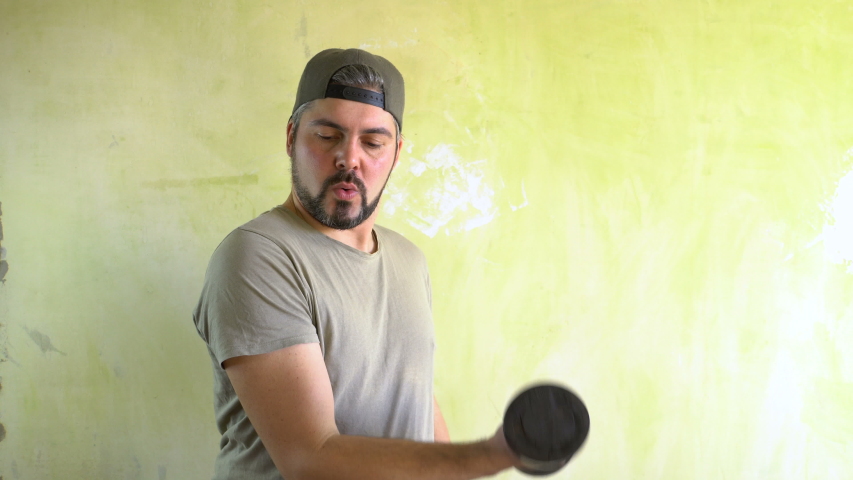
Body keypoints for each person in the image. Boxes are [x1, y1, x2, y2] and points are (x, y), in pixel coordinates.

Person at [193, 48, 519, 480]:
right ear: (291, 137)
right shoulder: (258, 256)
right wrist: (490, 456)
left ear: (397, 153)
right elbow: (311, 458)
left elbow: (415, 404)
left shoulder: (408, 260)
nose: (350, 158)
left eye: (373, 142)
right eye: (327, 136)